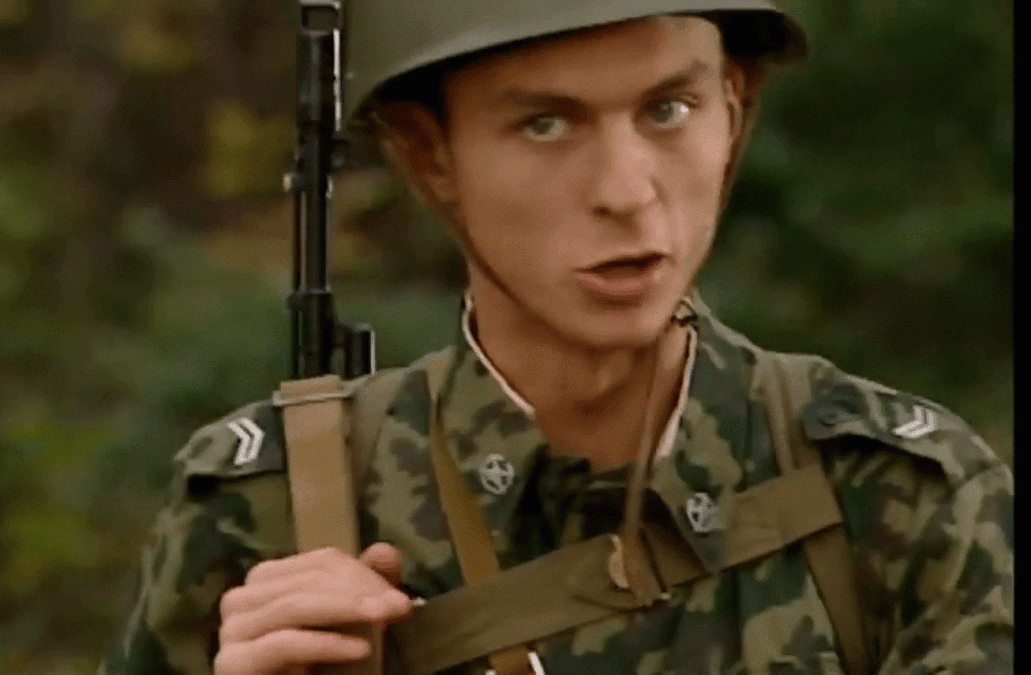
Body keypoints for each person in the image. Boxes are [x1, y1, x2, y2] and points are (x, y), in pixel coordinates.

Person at [99, 2, 1013, 674]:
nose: (626, 190)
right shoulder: (268, 514)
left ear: (733, 111)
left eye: (669, 109)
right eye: (546, 124)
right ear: (429, 154)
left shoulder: (898, 498)